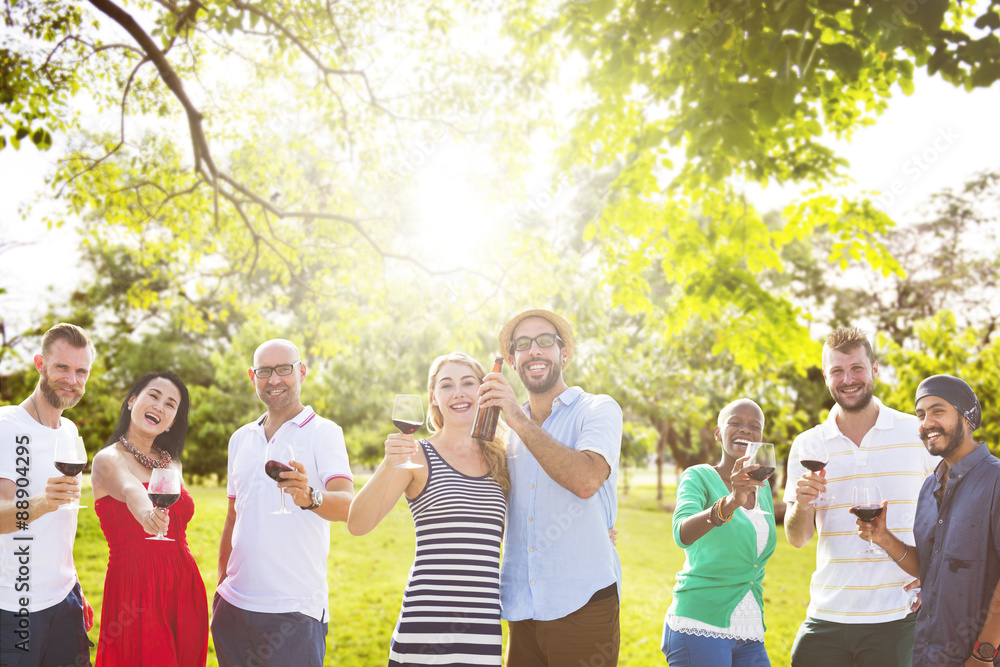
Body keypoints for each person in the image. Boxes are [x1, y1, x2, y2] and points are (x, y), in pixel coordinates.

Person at [783, 327, 937, 667]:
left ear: (875, 370)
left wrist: (936, 574)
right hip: (826, 615)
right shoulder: (808, 444)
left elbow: (953, 513)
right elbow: (797, 538)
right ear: (826, 377)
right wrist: (803, 505)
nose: (847, 379)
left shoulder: (916, 434)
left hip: (897, 617)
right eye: (837, 370)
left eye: (856, 368)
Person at [477, 308, 623, 666]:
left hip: (583, 603)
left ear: (564, 354)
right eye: (523, 344)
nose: (535, 350)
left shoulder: (597, 409)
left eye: (546, 341)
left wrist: (517, 418)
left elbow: (587, 480)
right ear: (512, 360)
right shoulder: (501, 429)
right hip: (521, 606)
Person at [348, 352, 509, 666]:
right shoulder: (417, 454)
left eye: (468, 383)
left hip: (482, 625)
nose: (459, 392)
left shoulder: (503, 459)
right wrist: (387, 464)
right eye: (447, 385)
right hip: (425, 626)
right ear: (434, 398)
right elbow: (357, 523)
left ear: (482, 390)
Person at [212, 339, 354, 667]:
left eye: (284, 369)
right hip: (234, 610)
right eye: (265, 371)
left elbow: (348, 505)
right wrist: (221, 585)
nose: (274, 379)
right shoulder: (240, 438)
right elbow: (234, 516)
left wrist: (310, 498)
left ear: (301, 372)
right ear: (253, 377)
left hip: (295, 614)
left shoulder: (325, 432)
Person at [855, 375, 1000, 666]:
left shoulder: (995, 480)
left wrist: (984, 652)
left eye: (938, 411)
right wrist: (884, 538)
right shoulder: (929, 486)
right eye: (920, 415)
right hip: (927, 652)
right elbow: (930, 568)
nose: (926, 423)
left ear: (967, 418)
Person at [89, 371, 207, 665]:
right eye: (153, 396)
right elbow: (130, 490)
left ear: (173, 419)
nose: (159, 406)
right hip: (137, 591)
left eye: (170, 404)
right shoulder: (108, 458)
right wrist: (147, 515)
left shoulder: (173, 462)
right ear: (132, 401)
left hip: (185, 585)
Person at [0, 323, 95, 667]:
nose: (72, 379)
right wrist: (43, 502)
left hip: (65, 601)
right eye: (62, 367)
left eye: (81, 371)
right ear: (40, 364)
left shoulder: (69, 430)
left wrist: (74, 588)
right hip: (16, 609)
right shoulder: (7, 426)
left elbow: (59, 531)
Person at [663, 398, 777, 666]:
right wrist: (731, 502)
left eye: (754, 426)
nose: (745, 430)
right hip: (699, 624)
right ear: (718, 432)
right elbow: (681, 533)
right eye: (735, 423)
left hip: (749, 629)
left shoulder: (764, 488)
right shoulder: (698, 476)